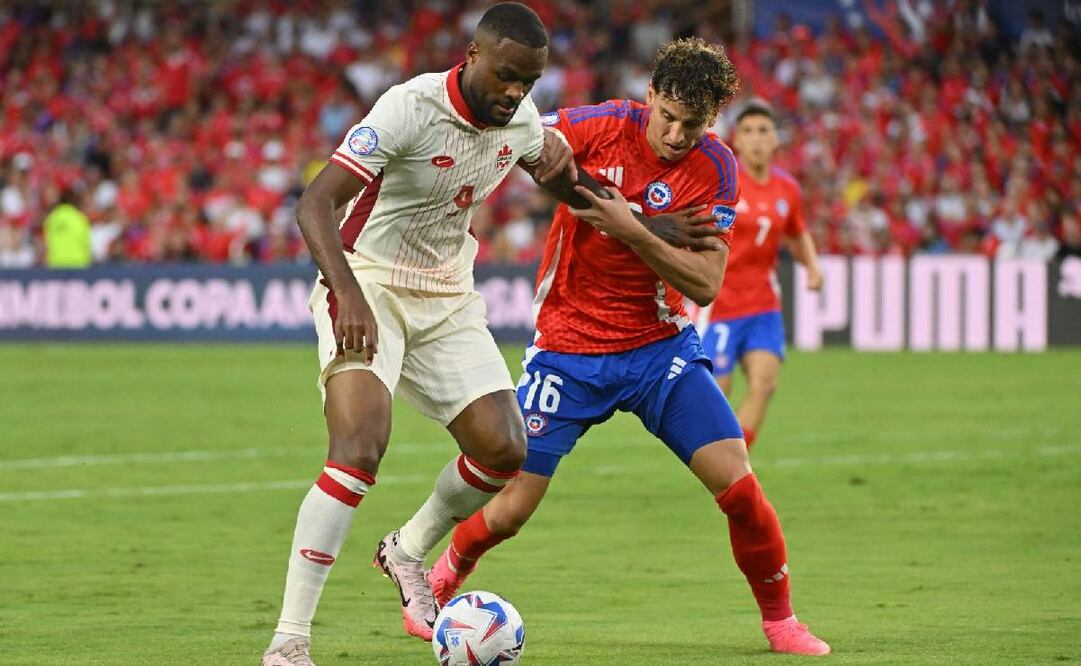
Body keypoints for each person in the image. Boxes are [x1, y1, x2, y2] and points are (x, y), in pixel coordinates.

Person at [425, 39, 831, 656]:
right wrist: (611, 206)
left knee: (741, 489)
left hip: (657, 350)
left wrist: (633, 228)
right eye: (667, 117)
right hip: (567, 348)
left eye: (691, 125)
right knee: (509, 513)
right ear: (650, 97)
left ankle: (781, 623)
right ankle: (444, 572)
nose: (674, 135)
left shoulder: (716, 168)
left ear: (712, 121)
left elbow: (705, 281)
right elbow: (529, 146)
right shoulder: (603, 124)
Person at [261, 4, 581, 664]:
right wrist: (345, 291)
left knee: (502, 449)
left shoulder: (520, 123)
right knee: (358, 448)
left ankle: (405, 551)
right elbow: (315, 203)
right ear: (472, 55)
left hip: (448, 297)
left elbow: (571, 186)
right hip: (368, 283)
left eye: (529, 81)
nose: (515, 92)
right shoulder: (407, 108)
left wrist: (648, 228)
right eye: (505, 75)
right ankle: (289, 641)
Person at [698, 102, 823, 449]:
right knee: (716, 392)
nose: (756, 138)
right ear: (736, 140)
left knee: (765, 382)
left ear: (775, 140)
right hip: (720, 302)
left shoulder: (788, 189)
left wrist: (812, 267)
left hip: (763, 304)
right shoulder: (723, 181)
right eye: (748, 131)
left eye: (763, 131)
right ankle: (717, 451)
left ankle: (737, 455)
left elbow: (797, 234)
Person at [43, 188, 92, 268]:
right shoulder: (79, 218)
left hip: (56, 263)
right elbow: (86, 242)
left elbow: (46, 241)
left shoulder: (51, 218)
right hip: (78, 263)